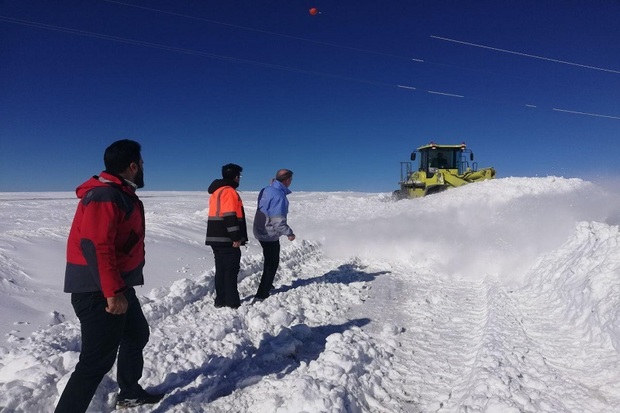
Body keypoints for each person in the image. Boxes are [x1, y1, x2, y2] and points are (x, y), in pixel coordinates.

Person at [55, 139, 163, 413]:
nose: (142, 169)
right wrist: (112, 292)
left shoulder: (119, 193)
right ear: (132, 166)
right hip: (98, 291)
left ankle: (129, 392)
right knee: (95, 363)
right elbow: (95, 244)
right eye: (141, 164)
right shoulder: (105, 195)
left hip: (116, 284)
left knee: (136, 335)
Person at [205, 163, 248, 309]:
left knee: (221, 270)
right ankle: (232, 302)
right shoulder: (229, 192)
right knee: (230, 270)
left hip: (215, 237)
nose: (239, 179)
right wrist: (236, 237)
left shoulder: (216, 191)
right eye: (239, 176)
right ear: (236, 177)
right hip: (226, 238)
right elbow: (229, 215)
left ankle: (220, 300)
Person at [253, 169, 296, 300]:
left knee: (269, 261)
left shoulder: (266, 190)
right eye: (291, 180)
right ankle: (262, 293)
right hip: (269, 233)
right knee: (272, 263)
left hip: (259, 229)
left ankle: (267, 286)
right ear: (287, 180)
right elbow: (277, 221)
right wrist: (289, 233)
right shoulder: (279, 195)